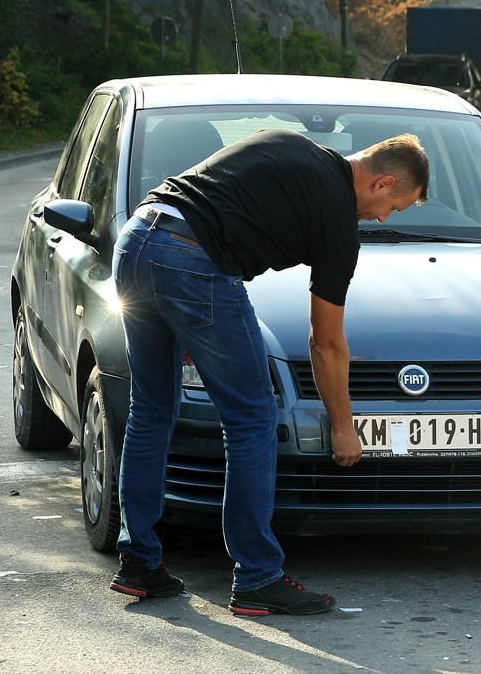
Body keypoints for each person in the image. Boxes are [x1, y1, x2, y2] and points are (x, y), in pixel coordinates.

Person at [109, 129, 429, 616]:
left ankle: (138, 563)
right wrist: (343, 425)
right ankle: (258, 577)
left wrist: (187, 315)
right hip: (195, 263)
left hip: (137, 241)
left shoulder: (290, 144)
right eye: (395, 207)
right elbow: (325, 343)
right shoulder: (338, 227)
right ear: (383, 184)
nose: (384, 217)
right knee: (253, 419)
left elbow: (219, 197)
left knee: (150, 409)